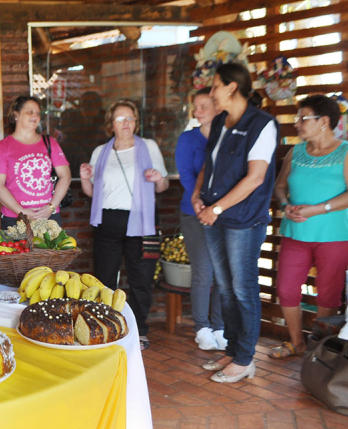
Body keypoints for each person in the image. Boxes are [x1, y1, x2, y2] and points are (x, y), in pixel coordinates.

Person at [192, 63, 278, 384]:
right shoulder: (220, 123)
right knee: (225, 288)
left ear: (231, 88)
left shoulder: (262, 124)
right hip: (214, 215)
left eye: (214, 86)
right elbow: (208, 164)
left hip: (243, 220)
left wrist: (216, 208)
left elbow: (255, 177)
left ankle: (245, 359)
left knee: (243, 289)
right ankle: (232, 349)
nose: (211, 92)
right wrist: (199, 195)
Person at [270, 95, 348, 358]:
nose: (297, 124)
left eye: (302, 118)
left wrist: (318, 209)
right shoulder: (295, 152)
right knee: (286, 288)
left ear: (324, 121)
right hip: (296, 232)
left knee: (328, 294)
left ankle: (321, 350)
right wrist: (285, 205)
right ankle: (297, 342)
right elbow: (280, 186)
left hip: (336, 235)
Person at [80, 99, 168, 350]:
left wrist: (158, 178)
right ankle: (108, 325)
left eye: (130, 118)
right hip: (109, 220)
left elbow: (163, 186)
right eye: (120, 118)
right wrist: (86, 178)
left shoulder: (149, 147)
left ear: (136, 122)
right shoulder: (101, 152)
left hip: (142, 220)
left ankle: (139, 329)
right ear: (111, 124)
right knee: (105, 277)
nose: (126, 123)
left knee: (141, 277)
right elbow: (92, 192)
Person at [175, 87, 226, 351]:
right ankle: (201, 327)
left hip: (222, 213)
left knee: (221, 272)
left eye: (203, 106)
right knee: (203, 272)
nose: (197, 111)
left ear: (218, 107)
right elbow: (186, 177)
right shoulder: (187, 139)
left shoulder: (226, 137)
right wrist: (201, 202)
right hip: (193, 211)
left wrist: (218, 207)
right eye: (195, 106)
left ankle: (219, 327)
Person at [0, 96, 71, 229]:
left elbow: (65, 175)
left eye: (38, 113)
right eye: (30, 112)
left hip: (48, 216)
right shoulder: (2, 147)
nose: (35, 116)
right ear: (16, 115)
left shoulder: (50, 143)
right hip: (14, 218)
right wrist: (21, 211)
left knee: (51, 251)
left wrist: (51, 207)